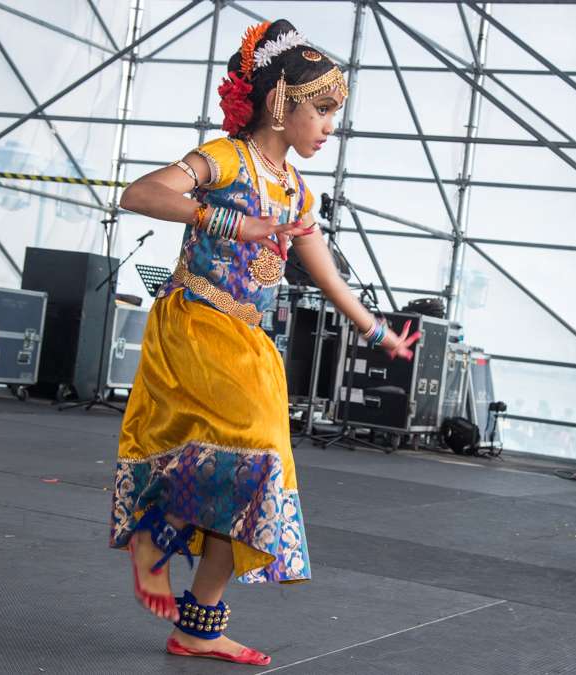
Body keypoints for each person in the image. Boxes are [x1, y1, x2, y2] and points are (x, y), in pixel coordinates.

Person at [109, 20, 420, 665]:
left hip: (250, 342)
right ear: (281, 104)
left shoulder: (296, 188)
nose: (331, 126)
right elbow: (141, 193)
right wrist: (228, 218)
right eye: (324, 110)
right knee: (255, 454)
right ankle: (155, 535)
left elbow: (324, 270)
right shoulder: (225, 159)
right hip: (197, 323)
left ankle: (197, 621)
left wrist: (378, 332)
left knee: (260, 473)